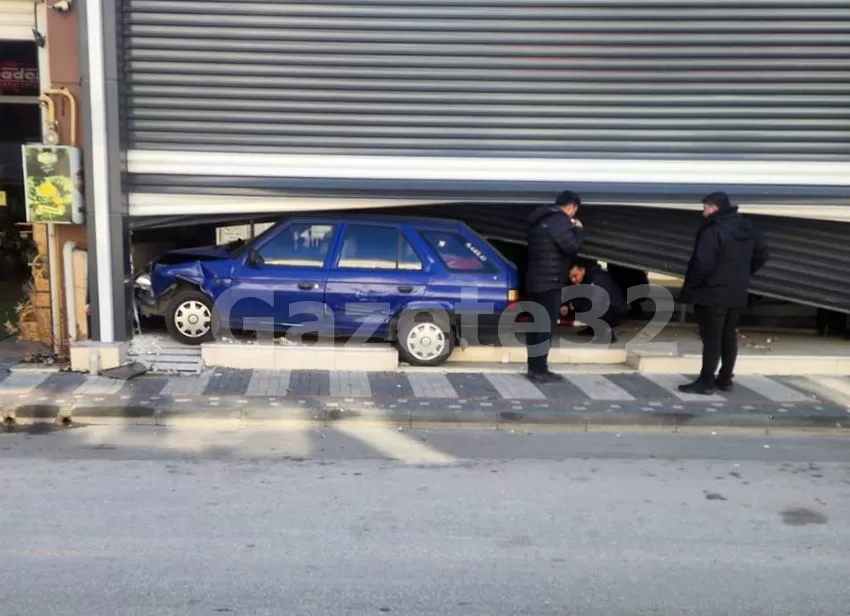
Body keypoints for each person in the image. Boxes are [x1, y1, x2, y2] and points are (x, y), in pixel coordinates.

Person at [678, 191, 769, 395]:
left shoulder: (714, 230)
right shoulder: (748, 227)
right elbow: (763, 253)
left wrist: (692, 287)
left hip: (711, 293)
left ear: (714, 207)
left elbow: (702, 262)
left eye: (706, 208)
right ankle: (725, 379)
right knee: (728, 335)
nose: (704, 213)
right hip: (737, 291)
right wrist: (744, 273)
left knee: (711, 338)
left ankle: (706, 381)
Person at [524, 190, 585, 383]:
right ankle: (540, 369)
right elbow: (571, 246)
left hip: (534, 280)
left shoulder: (539, 220)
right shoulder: (559, 221)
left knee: (535, 326)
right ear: (571, 207)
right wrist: (578, 229)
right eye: (575, 209)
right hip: (549, 282)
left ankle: (533, 366)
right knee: (545, 327)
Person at [565, 258, 627, 343]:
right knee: (581, 305)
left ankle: (607, 333)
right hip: (606, 307)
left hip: (614, 310)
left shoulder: (597, 277)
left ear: (582, 270)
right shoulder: (585, 278)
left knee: (586, 306)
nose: (573, 280)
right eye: (571, 277)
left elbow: (596, 301)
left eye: (575, 276)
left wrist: (572, 305)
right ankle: (593, 328)